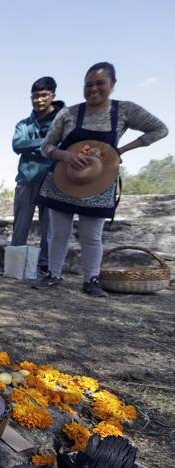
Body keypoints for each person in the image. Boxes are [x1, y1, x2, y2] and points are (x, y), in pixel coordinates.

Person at [33, 62, 168, 296]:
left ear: (112, 84)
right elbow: (47, 147)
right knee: (58, 233)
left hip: (98, 181)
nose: (93, 89)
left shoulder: (125, 110)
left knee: (91, 235)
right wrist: (65, 155)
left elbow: (159, 129)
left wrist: (121, 150)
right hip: (63, 179)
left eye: (100, 83)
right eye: (88, 85)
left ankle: (91, 279)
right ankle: (53, 275)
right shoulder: (68, 113)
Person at [11, 76, 65, 274]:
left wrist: (36, 146)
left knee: (49, 229)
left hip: (53, 178)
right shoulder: (23, 124)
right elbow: (17, 145)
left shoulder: (63, 121)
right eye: (35, 96)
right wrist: (47, 144)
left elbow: (62, 145)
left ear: (53, 96)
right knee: (20, 226)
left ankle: (45, 267)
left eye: (44, 95)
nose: (39, 100)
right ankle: (15, 265)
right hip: (26, 178)